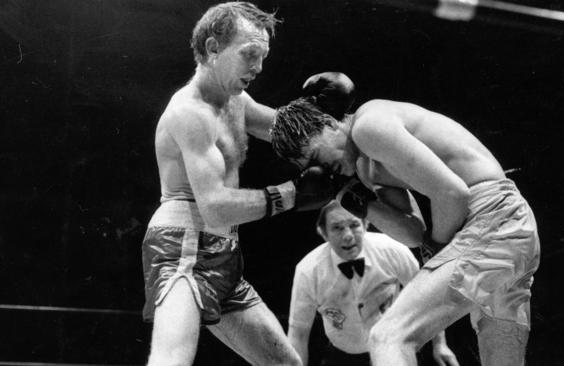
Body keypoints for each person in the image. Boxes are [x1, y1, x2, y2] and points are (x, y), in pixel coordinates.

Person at [270, 72, 541, 366]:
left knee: (388, 336)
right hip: (507, 231)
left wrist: (436, 251)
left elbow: (453, 194)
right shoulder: (366, 168)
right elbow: (413, 233)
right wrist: (355, 199)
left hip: (490, 218)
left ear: (330, 123)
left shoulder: (368, 125)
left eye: (315, 157)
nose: (322, 169)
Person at [142, 5, 342, 366]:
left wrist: (329, 119)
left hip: (224, 255)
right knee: (170, 360)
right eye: (250, 54)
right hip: (183, 248)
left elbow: (290, 135)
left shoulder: (235, 101)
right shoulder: (191, 112)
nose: (259, 67)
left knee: (286, 364)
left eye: (263, 56)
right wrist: (292, 194)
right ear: (214, 47)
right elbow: (214, 206)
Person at [288, 201, 459, 366]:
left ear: (365, 225)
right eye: (337, 228)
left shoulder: (393, 250)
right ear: (323, 233)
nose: (347, 236)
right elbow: (299, 332)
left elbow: (428, 299)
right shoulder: (308, 270)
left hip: (393, 345)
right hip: (343, 354)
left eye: (354, 225)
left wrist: (440, 344)